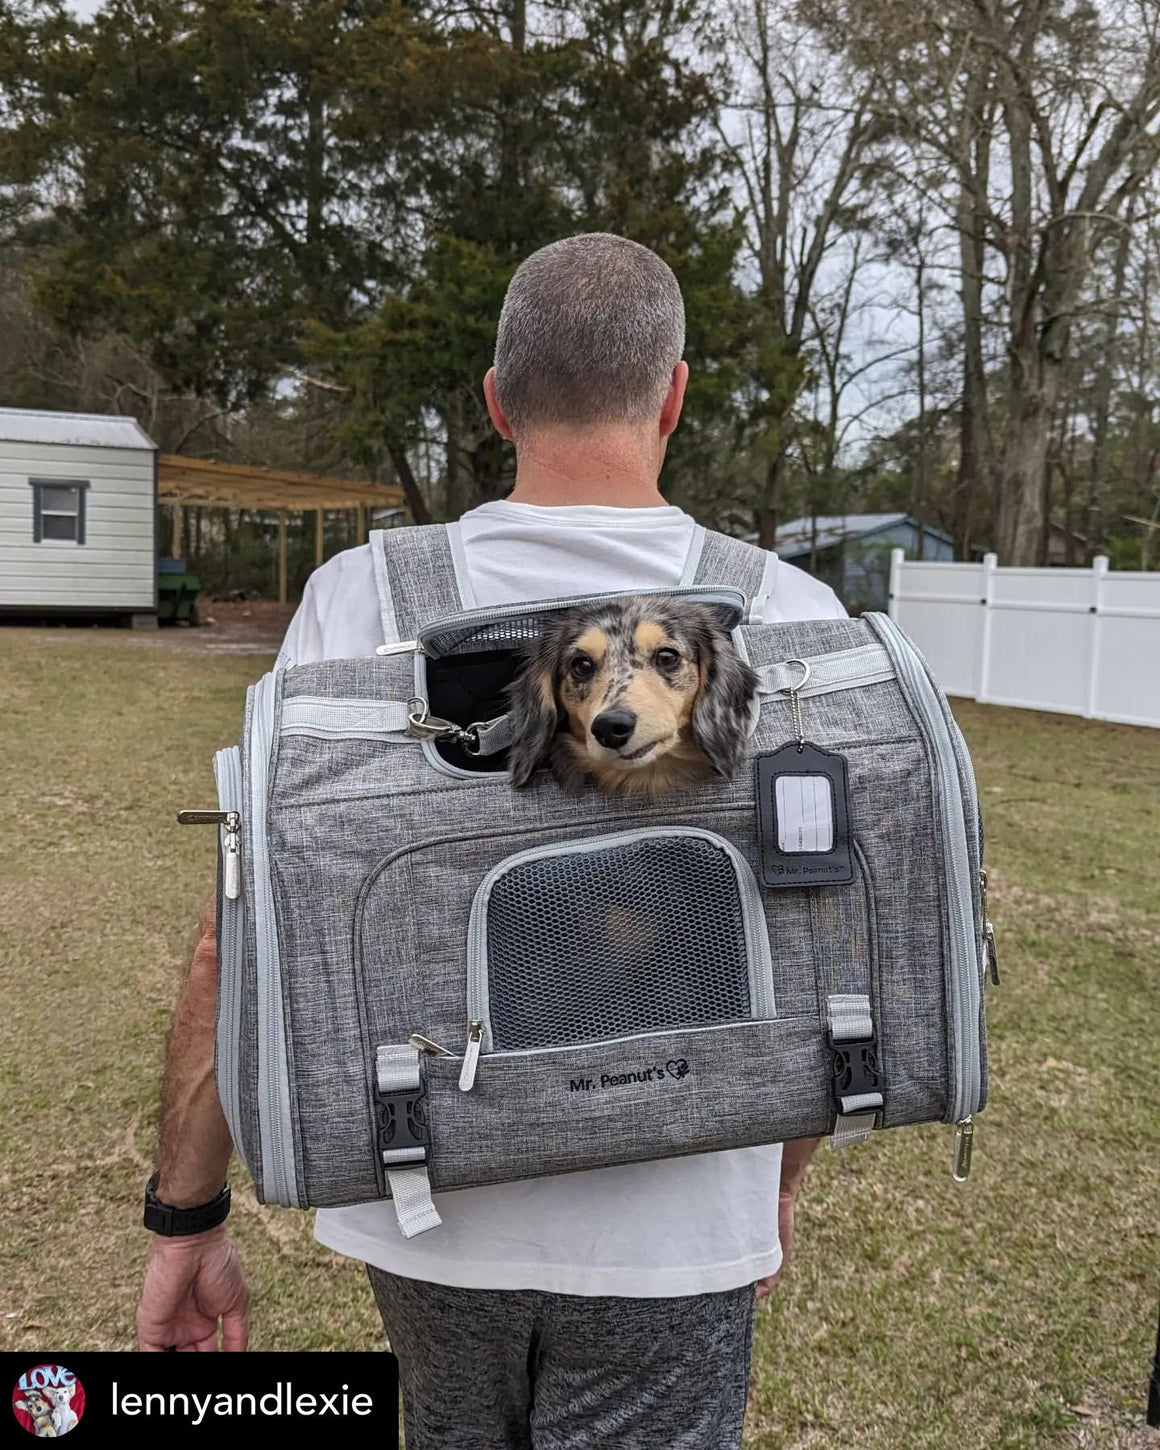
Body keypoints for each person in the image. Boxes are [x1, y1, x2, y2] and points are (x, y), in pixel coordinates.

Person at [137, 233, 846, 1448]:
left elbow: (237, 936)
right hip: (676, 1225)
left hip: (429, 1200)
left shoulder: (358, 600)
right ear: (673, 391)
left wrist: (185, 1214)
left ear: (496, 399)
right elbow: (824, 937)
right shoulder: (784, 614)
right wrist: (773, 1173)